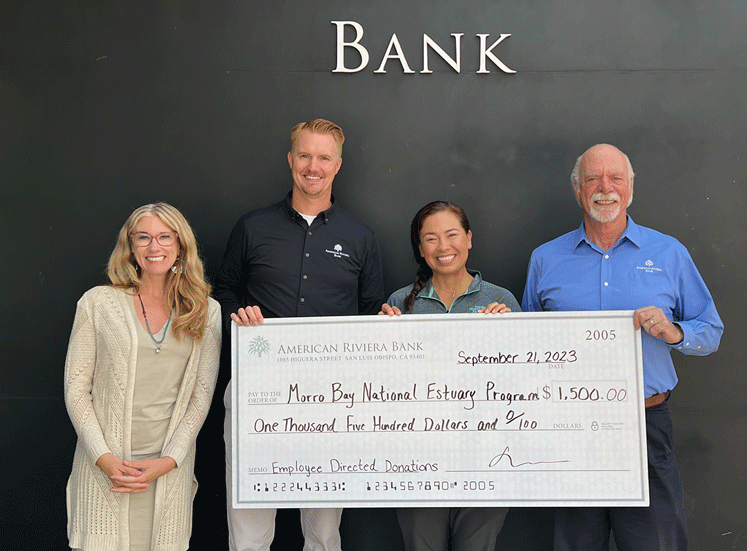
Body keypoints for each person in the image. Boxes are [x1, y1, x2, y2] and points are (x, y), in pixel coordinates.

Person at [521, 144, 723, 551]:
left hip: (646, 425)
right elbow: (527, 346)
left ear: (630, 188)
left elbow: (711, 330)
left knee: (656, 544)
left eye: (615, 178)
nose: (604, 188)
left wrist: (673, 332)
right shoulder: (545, 260)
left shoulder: (669, 253)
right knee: (577, 544)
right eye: (592, 179)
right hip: (570, 428)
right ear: (578, 189)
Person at [216, 118, 384, 551]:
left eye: (324, 157)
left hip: (332, 397)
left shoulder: (360, 236)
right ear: (291, 160)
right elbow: (222, 291)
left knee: (325, 532)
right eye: (305, 155)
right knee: (249, 527)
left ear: (338, 164)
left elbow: (370, 312)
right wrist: (239, 312)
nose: (314, 166)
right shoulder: (253, 227)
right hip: (257, 390)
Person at [64, 203, 221, 551]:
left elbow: (201, 395)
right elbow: (76, 390)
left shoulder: (206, 311)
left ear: (180, 245)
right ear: (131, 246)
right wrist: (104, 459)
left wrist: (168, 462)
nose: (155, 247)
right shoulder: (97, 303)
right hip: (105, 469)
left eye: (165, 237)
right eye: (144, 237)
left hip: (168, 471)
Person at [380, 200, 519, 551]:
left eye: (452, 235)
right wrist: (379, 339)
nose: (443, 247)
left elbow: (525, 383)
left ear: (469, 239)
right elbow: (384, 385)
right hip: (417, 453)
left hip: (487, 452)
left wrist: (511, 332)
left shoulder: (500, 300)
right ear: (420, 249)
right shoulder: (400, 302)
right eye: (430, 238)